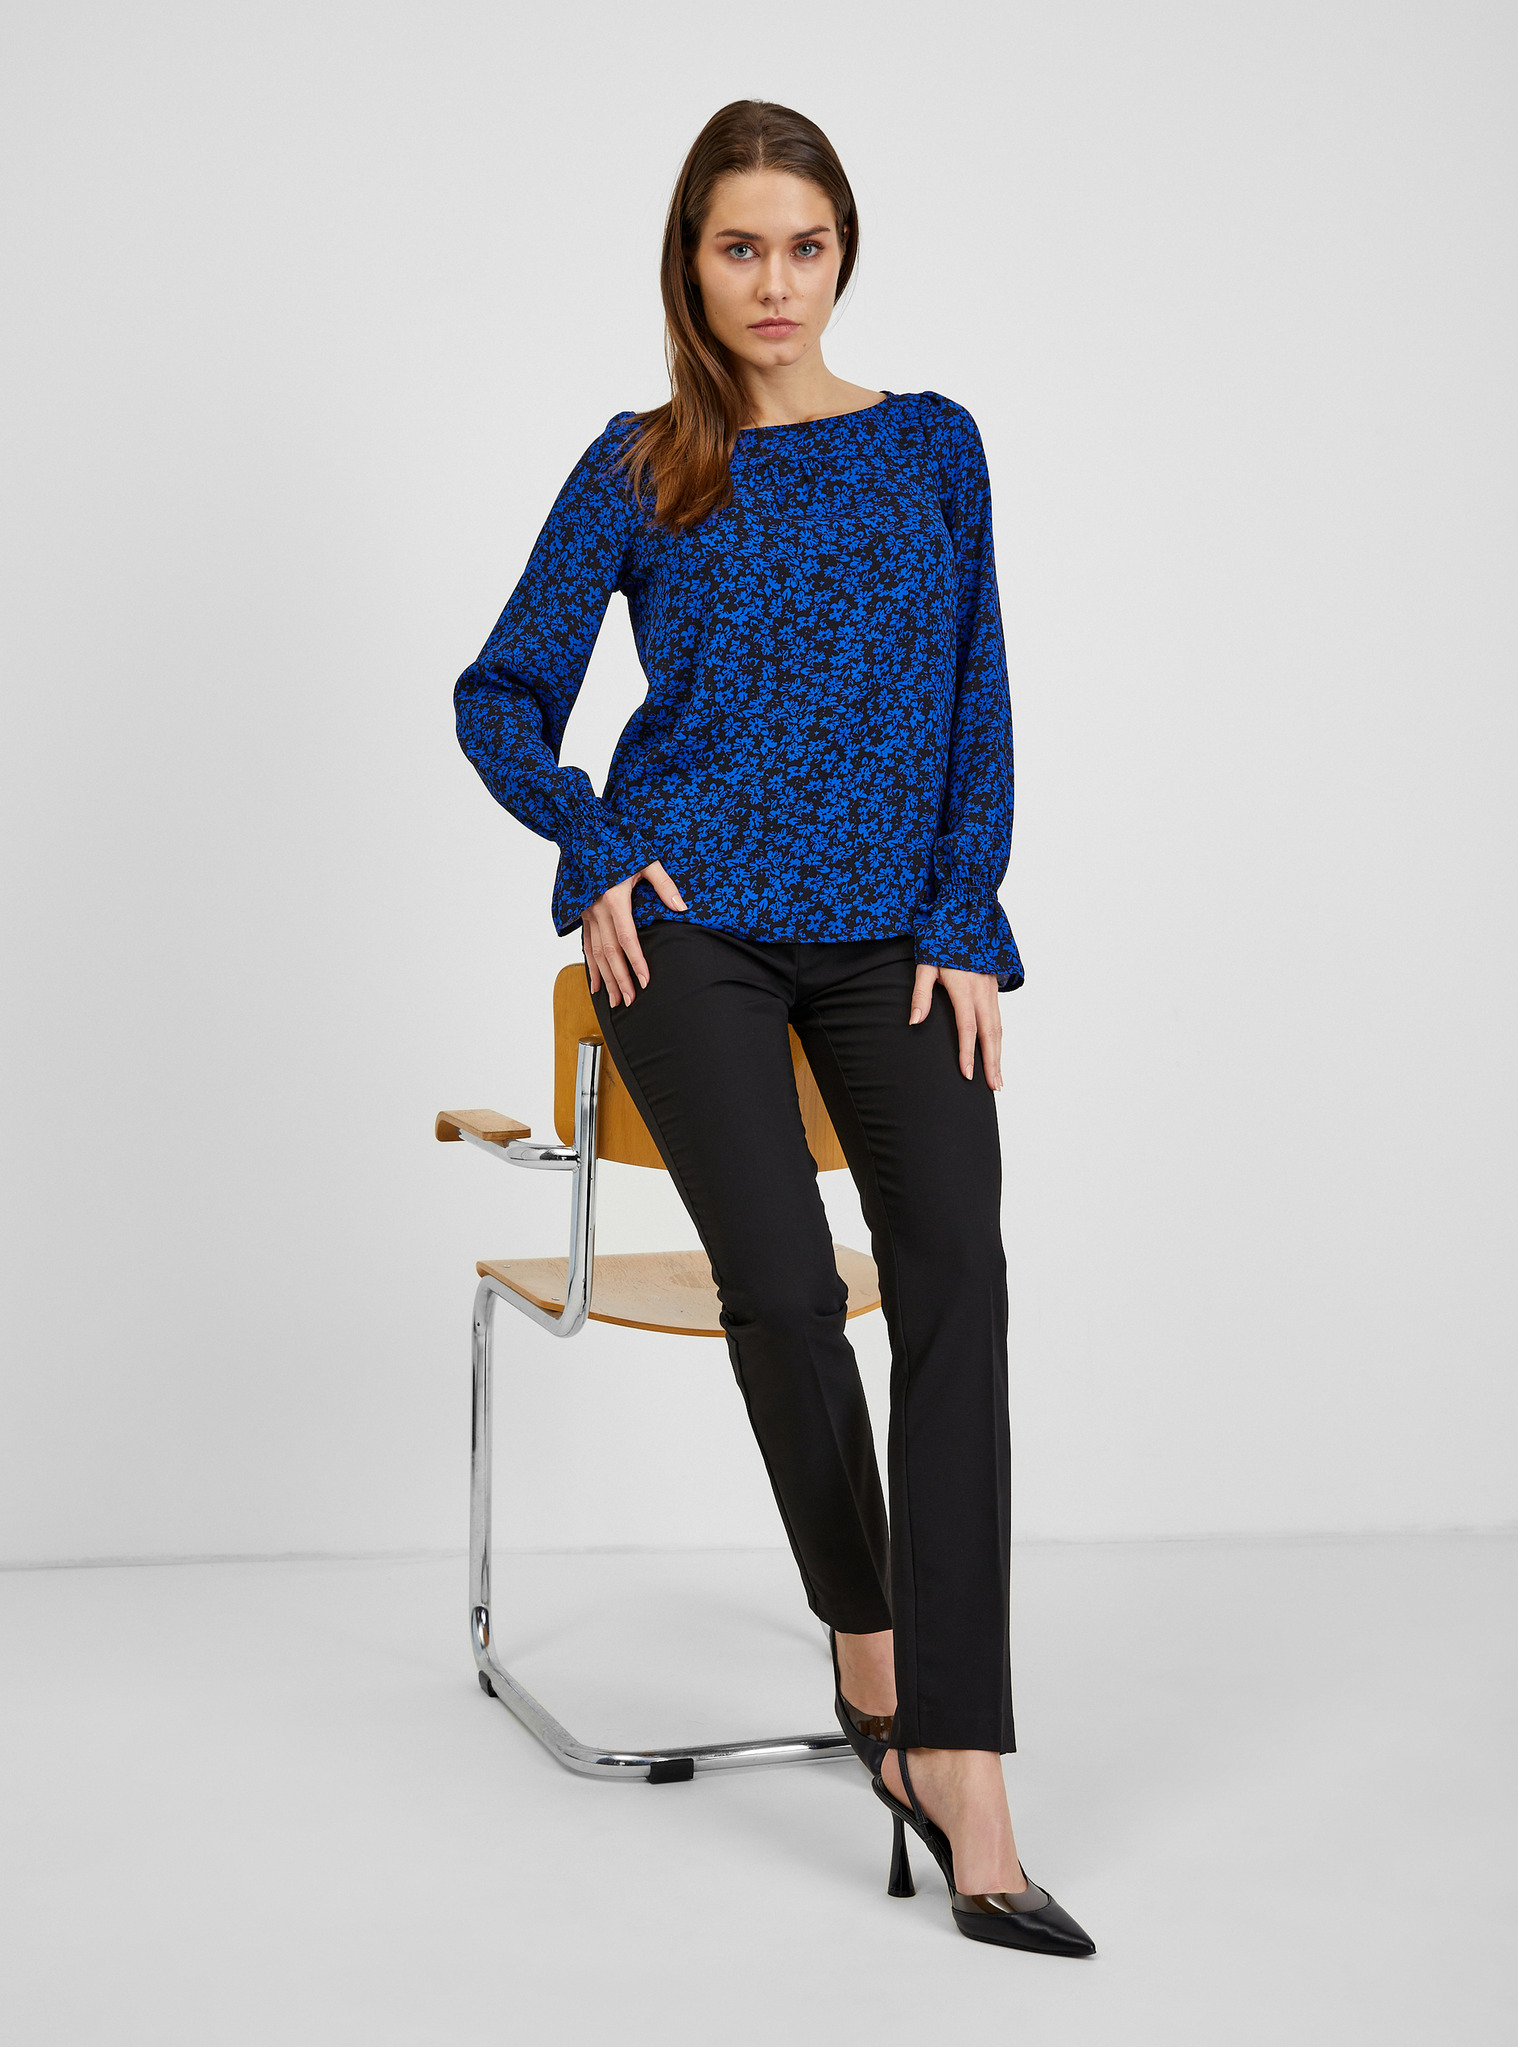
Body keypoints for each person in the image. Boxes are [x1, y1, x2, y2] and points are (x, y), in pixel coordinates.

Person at [453, 98, 1094, 1958]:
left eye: (804, 245)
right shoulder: (643, 462)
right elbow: (502, 692)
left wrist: (965, 916)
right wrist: (592, 842)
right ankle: (871, 1640)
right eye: (740, 246)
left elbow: (979, 692)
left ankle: (962, 1760)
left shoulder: (930, 445)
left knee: (958, 1280)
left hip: (895, 940)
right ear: (692, 259)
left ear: (843, 253)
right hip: (694, 939)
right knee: (790, 1293)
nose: (775, 282)